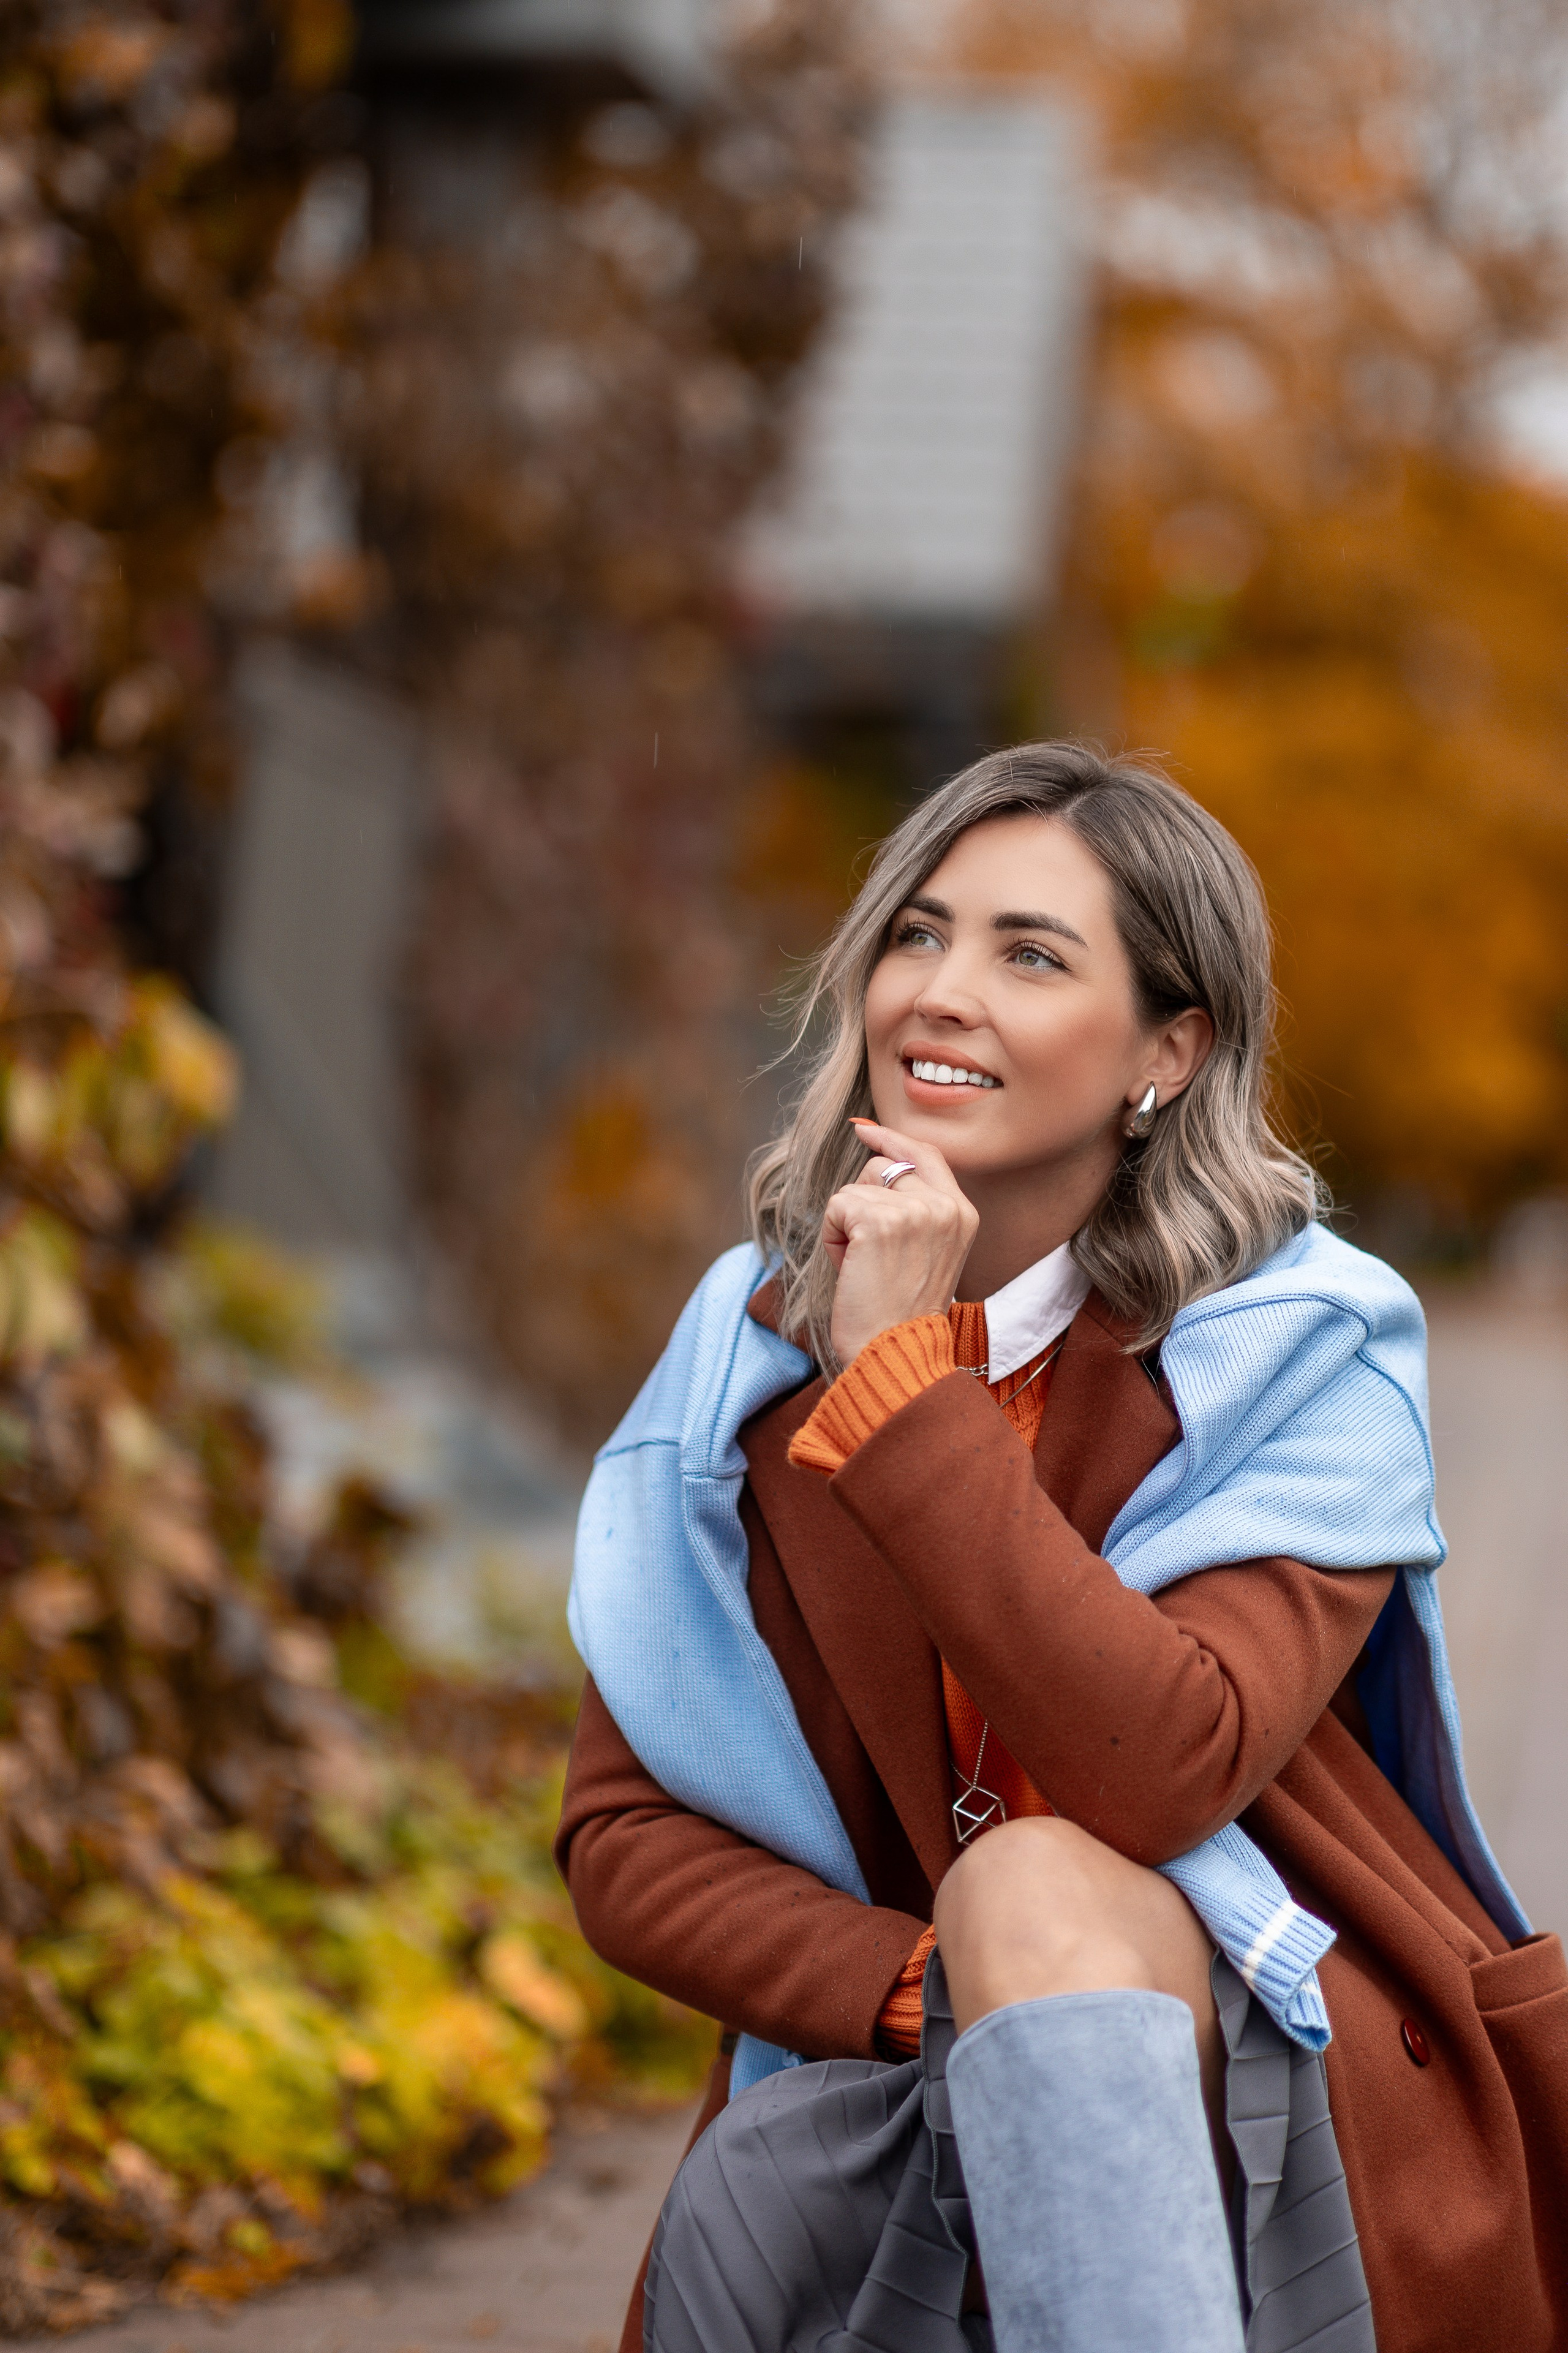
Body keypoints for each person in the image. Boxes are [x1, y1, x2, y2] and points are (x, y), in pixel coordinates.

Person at [557, 742, 1568, 2353]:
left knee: (1032, 1871)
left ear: (1168, 1049)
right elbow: (622, 1834)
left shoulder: (1302, 1350)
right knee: (1000, 1912)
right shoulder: (744, 1349)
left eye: (1030, 953)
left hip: (1280, 2075)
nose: (941, 992)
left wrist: (906, 1390)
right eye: (919, 933)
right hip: (897, 2083)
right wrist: (922, 1988)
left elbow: (1167, 1760)